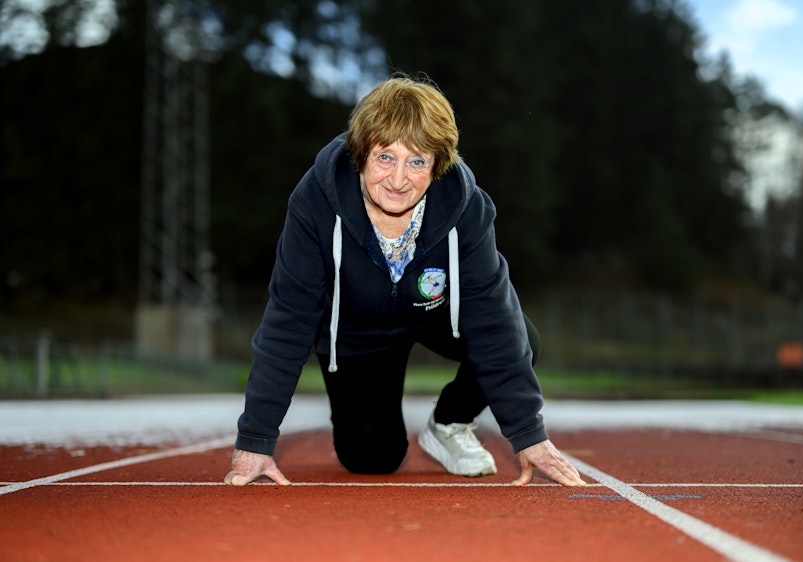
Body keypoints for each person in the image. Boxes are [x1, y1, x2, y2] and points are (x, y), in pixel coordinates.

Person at [224, 74, 585, 487]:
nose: (398, 180)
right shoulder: (314, 204)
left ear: (438, 164)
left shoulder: (465, 207)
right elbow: (288, 321)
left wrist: (528, 435)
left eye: (417, 161)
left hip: (432, 313)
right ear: (360, 153)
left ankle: (449, 424)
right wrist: (256, 437)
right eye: (384, 157)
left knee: (523, 336)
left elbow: (491, 318)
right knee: (372, 457)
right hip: (357, 332)